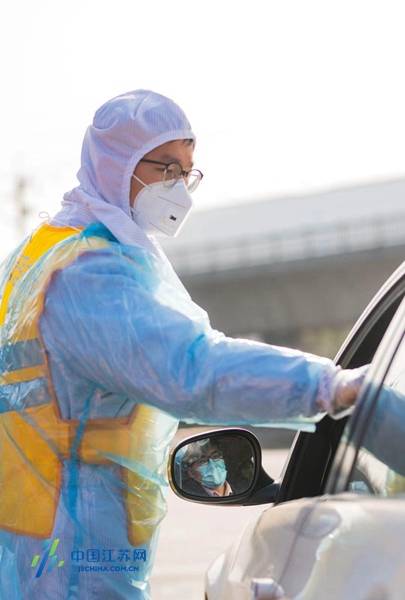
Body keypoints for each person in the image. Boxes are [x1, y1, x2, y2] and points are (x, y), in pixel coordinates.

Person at [0, 89, 368, 600]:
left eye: (187, 171)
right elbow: (193, 371)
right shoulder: (89, 273)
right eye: (165, 168)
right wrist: (331, 386)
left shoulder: (42, 254)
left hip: (39, 547)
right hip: (76, 559)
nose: (180, 189)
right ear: (116, 164)